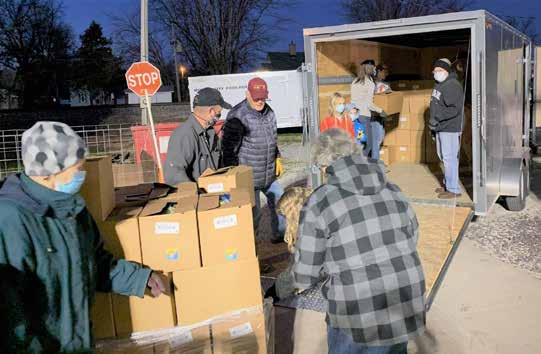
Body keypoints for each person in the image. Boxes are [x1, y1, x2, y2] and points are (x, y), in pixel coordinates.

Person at [0, 122, 166, 353]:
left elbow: (95, 263)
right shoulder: (10, 221)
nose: (83, 174)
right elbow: (9, 316)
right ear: (49, 172)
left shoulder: (73, 211)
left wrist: (139, 279)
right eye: (77, 168)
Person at [292, 128, 426, 354]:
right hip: (405, 295)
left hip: (357, 307)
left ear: (325, 166)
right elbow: (413, 235)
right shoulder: (392, 188)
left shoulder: (321, 199)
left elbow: (307, 267)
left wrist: (301, 283)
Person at [222, 77, 285, 243]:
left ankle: (280, 234)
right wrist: (233, 177)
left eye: (263, 97)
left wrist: (277, 157)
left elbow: (272, 138)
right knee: (253, 215)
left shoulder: (269, 112)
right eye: (256, 97)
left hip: (268, 173)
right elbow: (228, 150)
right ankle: (251, 251)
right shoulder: (237, 116)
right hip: (248, 177)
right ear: (247, 94)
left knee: (282, 201)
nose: (260, 101)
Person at [264, 186, 327, 354]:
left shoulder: (306, 239)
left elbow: (297, 277)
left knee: (275, 300)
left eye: (284, 217)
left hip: (320, 300)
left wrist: (273, 293)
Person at [164, 87, 232, 185]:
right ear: (211, 111)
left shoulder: (210, 133)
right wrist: (196, 194)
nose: (220, 115)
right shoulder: (184, 134)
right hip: (197, 197)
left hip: (213, 194)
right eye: (219, 111)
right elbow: (174, 175)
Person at [429, 58, 465, 199]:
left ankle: (454, 189)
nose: (436, 73)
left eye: (440, 70)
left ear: (447, 71)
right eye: (435, 70)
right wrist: (434, 125)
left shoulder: (452, 85)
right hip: (440, 127)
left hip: (449, 127)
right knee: (443, 157)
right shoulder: (440, 84)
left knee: (449, 158)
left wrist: (436, 118)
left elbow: (454, 109)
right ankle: (447, 184)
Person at [351, 59, 388, 160]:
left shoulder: (355, 81)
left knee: (361, 143)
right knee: (369, 145)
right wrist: (381, 111)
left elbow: (354, 100)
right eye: (374, 68)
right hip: (364, 118)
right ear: (370, 68)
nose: (375, 70)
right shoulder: (369, 83)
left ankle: (361, 165)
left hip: (356, 118)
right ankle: (361, 166)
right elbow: (369, 104)